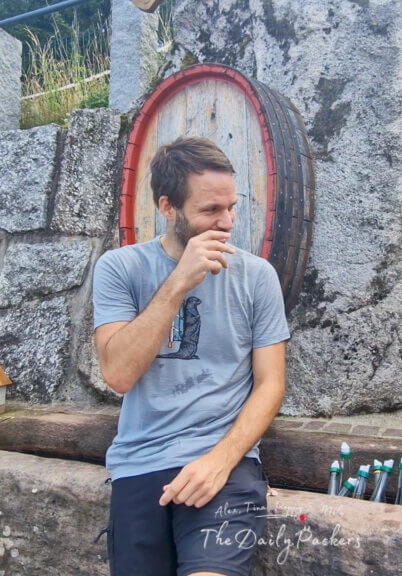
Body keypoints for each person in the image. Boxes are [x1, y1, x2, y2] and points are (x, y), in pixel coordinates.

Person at [92, 136, 289, 576]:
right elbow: (118, 375)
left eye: (232, 207)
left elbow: (271, 383)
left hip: (226, 463)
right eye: (210, 211)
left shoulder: (257, 276)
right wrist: (179, 281)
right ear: (168, 207)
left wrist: (220, 461)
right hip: (140, 461)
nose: (227, 222)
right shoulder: (120, 268)